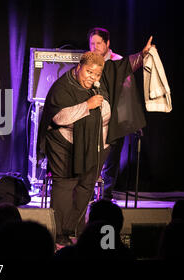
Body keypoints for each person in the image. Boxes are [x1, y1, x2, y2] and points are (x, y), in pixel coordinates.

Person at [37, 37, 154, 245]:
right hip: (66, 145)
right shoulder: (62, 87)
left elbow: (123, 66)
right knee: (65, 185)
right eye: (88, 72)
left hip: (96, 144)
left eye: (96, 74)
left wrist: (142, 55)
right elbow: (59, 118)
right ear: (79, 67)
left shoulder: (103, 76)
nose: (92, 77)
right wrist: (87, 106)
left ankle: (77, 229)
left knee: (86, 186)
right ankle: (60, 235)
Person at [88, 27, 125, 201]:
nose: (95, 47)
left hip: (115, 117)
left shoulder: (118, 61)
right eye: (92, 43)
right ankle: (87, 193)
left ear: (107, 43)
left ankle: (105, 196)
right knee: (91, 156)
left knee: (111, 159)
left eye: (99, 43)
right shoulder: (87, 62)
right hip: (93, 116)